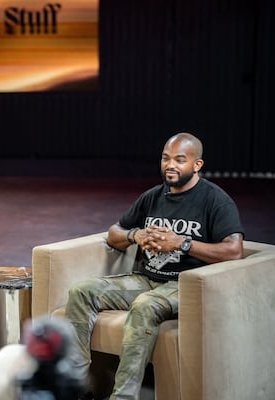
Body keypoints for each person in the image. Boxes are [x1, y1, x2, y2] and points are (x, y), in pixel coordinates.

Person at [65, 132, 245, 400]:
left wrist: (182, 243)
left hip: (185, 285)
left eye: (180, 160)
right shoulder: (152, 197)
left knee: (145, 305)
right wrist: (134, 235)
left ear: (197, 165)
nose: (170, 165)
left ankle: (122, 397)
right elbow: (115, 232)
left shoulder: (215, 200)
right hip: (147, 279)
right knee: (81, 291)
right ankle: (76, 389)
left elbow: (234, 251)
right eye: (165, 158)